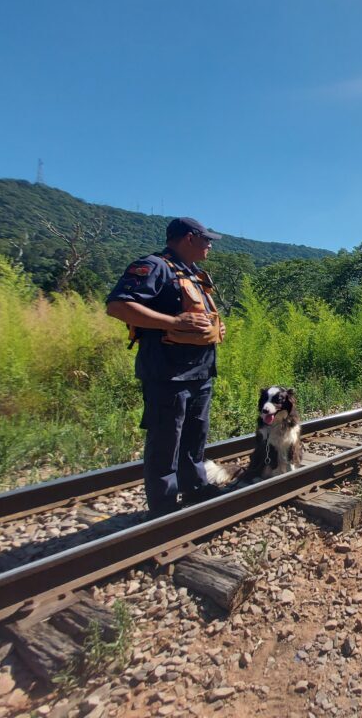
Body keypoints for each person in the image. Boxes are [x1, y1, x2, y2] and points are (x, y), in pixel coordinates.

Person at [106, 217, 226, 517]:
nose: (210, 244)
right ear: (188, 238)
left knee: (195, 436)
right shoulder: (153, 266)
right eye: (205, 238)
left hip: (200, 371)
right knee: (165, 441)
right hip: (167, 373)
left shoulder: (195, 274)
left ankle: (195, 489)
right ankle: (163, 507)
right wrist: (173, 322)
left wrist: (216, 330)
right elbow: (117, 305)